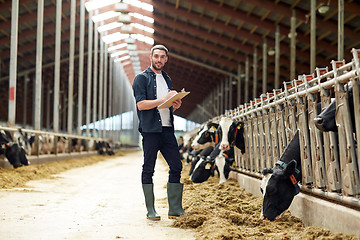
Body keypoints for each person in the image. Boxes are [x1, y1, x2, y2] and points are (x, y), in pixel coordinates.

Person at [132, 44, 185, 221]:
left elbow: (165, 106)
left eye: (162, 57)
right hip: (150, 131)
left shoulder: (167, 79)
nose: (159, 60)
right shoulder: (141, 78)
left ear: (166, 59)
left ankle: (175, 208)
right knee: (148, 169)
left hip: (168, 130)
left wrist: (174, 105)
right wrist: (163, 99)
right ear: (151, 57)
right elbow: (141, 105)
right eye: (156, 56)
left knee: (176, 166)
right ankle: (151, 210)